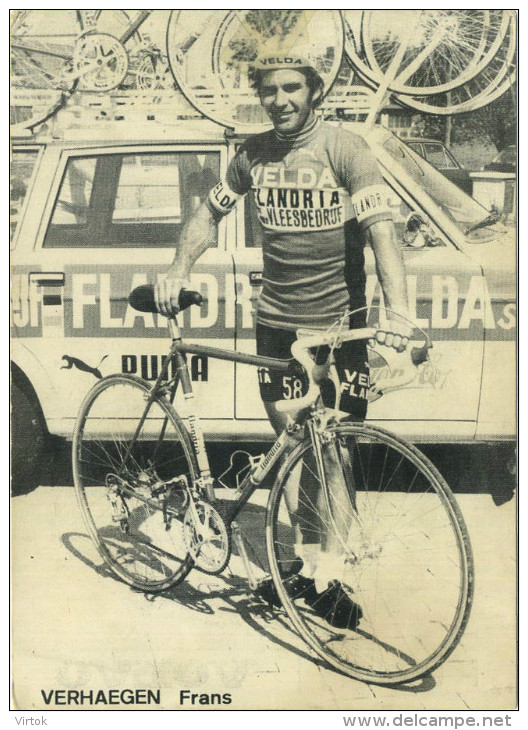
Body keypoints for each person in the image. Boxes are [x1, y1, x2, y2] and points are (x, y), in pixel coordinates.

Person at [156, 56, 410, 626]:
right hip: (276, 323)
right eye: (269, 90)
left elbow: (382, 233)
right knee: (293, 452)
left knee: (336, 455)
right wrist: (177, 268)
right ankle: (298, 567)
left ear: (314, 89)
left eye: (292, 87)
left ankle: (332, 575)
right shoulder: (251, 155)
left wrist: (397, 311)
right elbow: (207, 213)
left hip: (338, 328)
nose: (280, 99)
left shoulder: (345, 148)